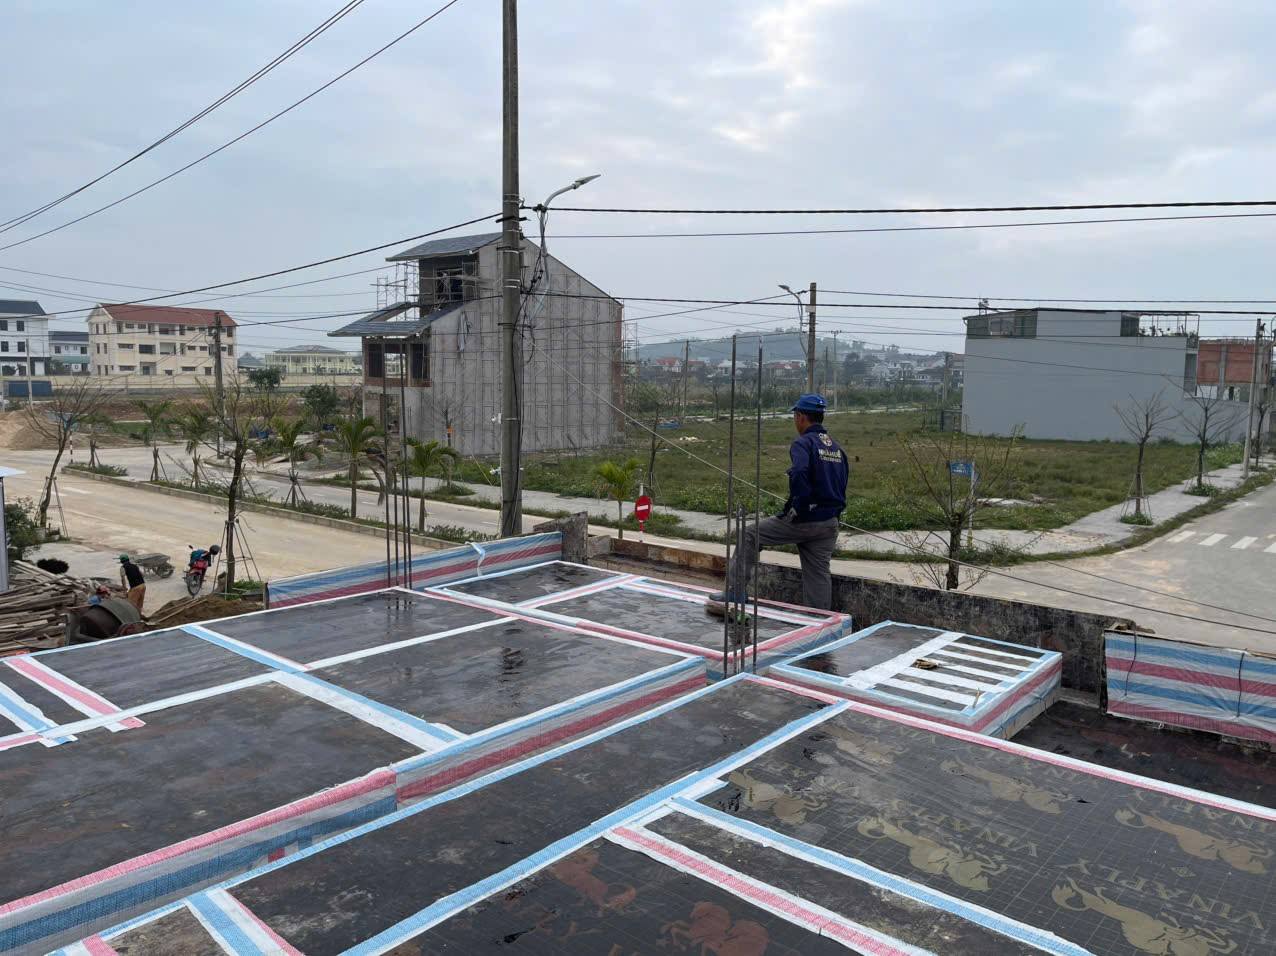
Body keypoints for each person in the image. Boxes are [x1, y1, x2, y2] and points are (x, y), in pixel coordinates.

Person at [709, 393, 849, 612]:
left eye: (795, 416)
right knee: (818, 573)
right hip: (829, 523)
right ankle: (820, 616)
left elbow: (800, 472)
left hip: (805, 519)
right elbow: (842, 483)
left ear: (801, 417)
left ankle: (735, 593)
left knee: (749, 534)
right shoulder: (837, 449)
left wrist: (799, 507)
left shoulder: (803, 443)